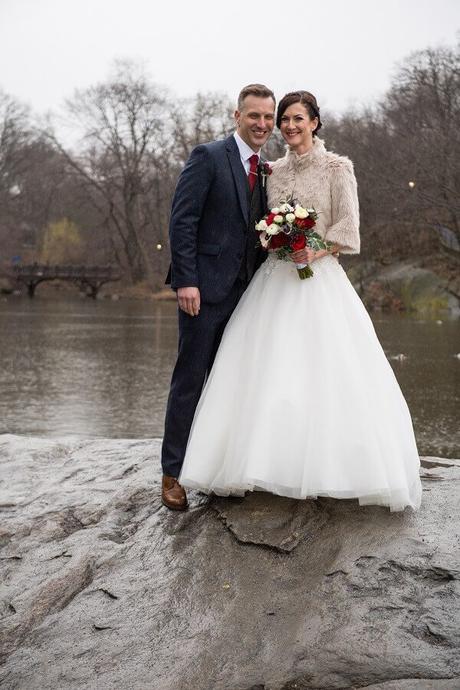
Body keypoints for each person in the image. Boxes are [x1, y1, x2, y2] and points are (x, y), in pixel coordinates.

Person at [178, 90, 422, 512]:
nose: (289, 126)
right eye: (284, 120)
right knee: (265, 371)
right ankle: (256, 465)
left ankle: (328, 470)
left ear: (314, 122)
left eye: (297, 119)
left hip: (320, 280)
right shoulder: (271, 171)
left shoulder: (337, 168)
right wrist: (275, 238)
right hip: (273, 280)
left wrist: (316, 248)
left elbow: (350, 230)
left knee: (324, 371)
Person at [160, 84, 276, 510]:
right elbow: (182, 220)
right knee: (190, 380)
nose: (262, 124)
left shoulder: (267, 169)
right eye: (254, 116)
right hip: (203, 292)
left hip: (249, 295)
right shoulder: (208, 157)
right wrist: (186, 280)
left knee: (233, 383)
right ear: (237, 116)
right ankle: (172, 473)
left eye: (268, 117)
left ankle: (219, 469)